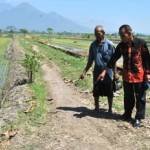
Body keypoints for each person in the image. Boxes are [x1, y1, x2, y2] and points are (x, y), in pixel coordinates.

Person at [98, 24, 150, 127]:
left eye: (122, 35)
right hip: (127, 76)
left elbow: (147, 60)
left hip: (139, 76)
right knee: (128, 97)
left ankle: (138, 118)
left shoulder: (141, 43)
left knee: (140, 98)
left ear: (129, 33)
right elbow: (113, 58)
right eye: (120, 35)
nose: (121, 37)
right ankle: (127, 114)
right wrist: (104, 71)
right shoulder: (121, 45)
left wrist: (148, 74)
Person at [80, 25, 116, 113]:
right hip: (97, 70)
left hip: (108, 71)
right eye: (95, 33)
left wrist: (116, 73)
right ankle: (97, 108)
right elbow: (90, 61)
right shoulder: (93, 45)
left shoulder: (110, 45)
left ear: (103, 33)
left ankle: (110, 109)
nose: (96, 35)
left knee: (109, 90)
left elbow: (114, 60)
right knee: (96, 89)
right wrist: (84, 72)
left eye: (98, 33)